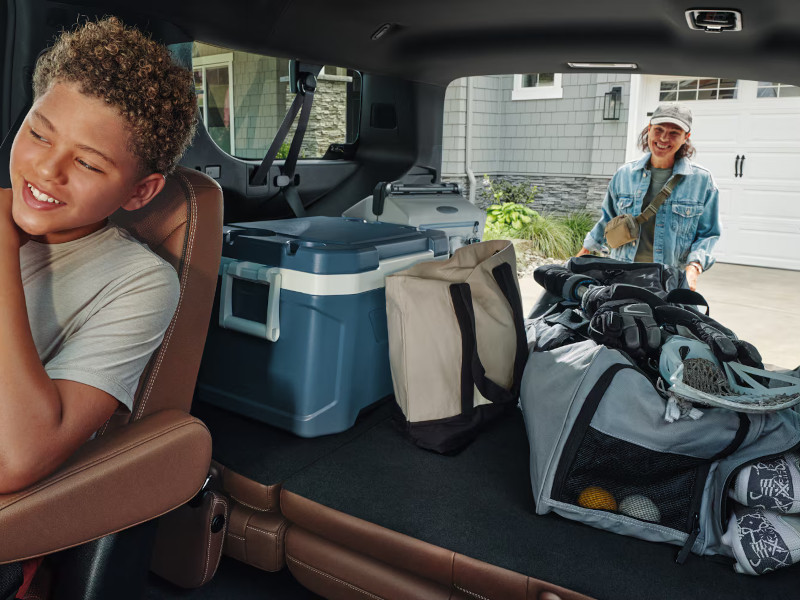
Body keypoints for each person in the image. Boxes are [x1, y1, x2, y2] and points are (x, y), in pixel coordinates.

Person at [0, 17, 197, 495]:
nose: (47, 169)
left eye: (87, 162)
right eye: (39, 134)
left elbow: (18, 457)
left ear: (139, 192)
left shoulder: (139, 282)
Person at [578, 104, 721, 291]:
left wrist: (694, 267)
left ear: (686, 137)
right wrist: (584, 251)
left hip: (670, 282)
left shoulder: (702, 181)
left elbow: (708, 234)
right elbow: (608, 219)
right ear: (649, 129)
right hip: (622, 275)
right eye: (659, 130)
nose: (664, 138)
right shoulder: (624, 175)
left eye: (674, 133)